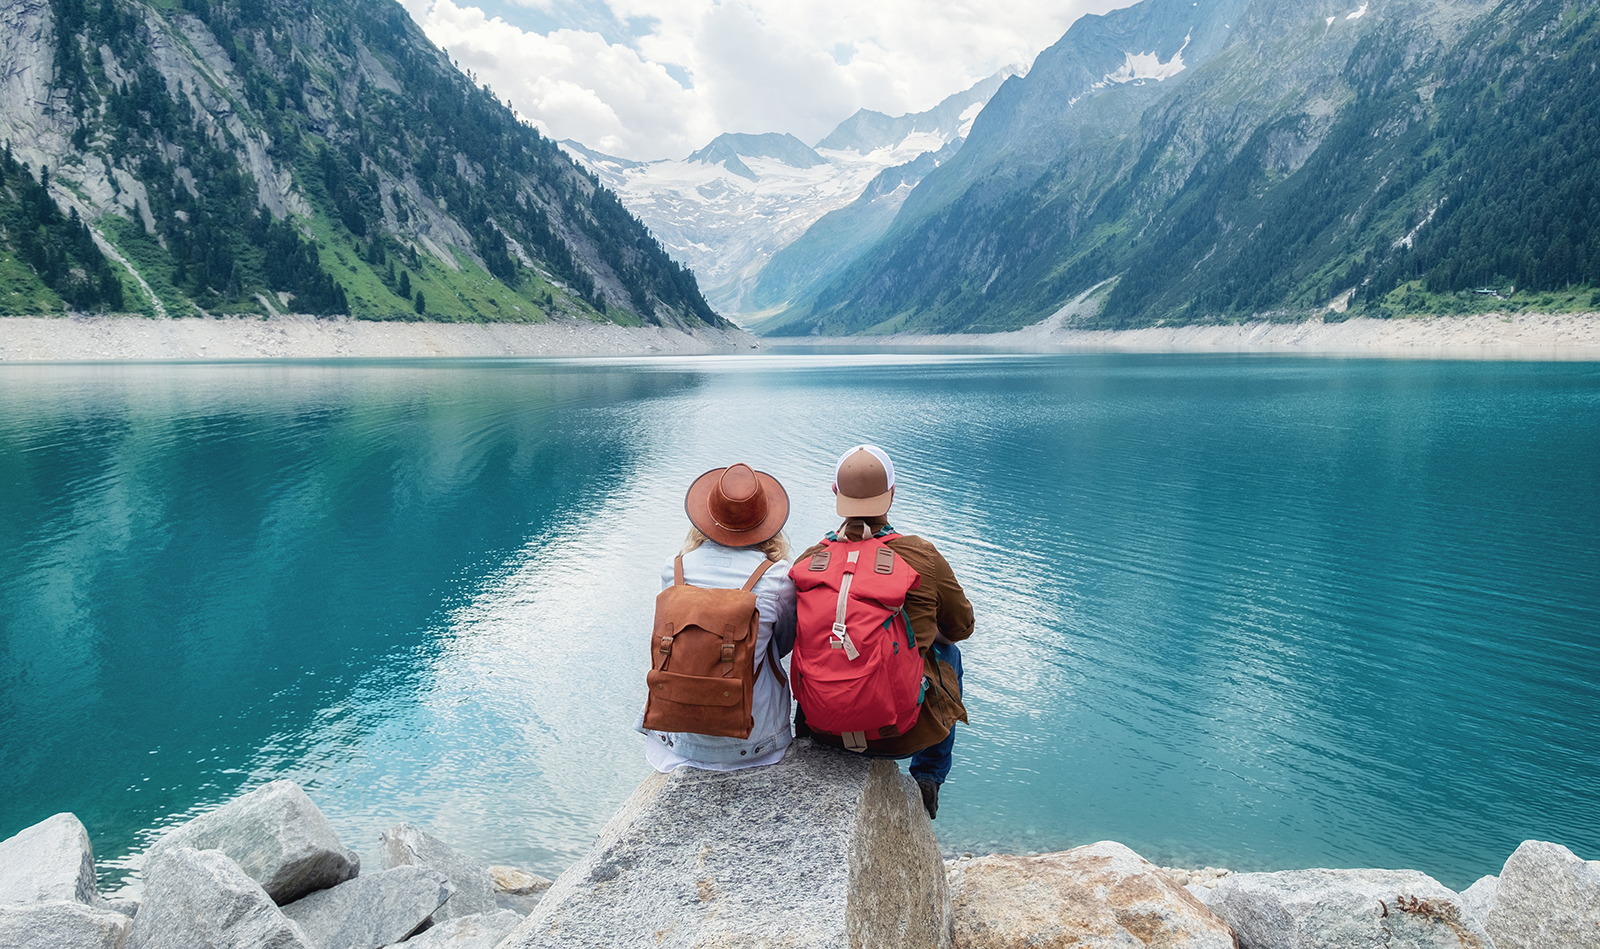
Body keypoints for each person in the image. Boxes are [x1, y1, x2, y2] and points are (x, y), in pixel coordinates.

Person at [795, 445, 974, 818]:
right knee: (949, 654)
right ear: (892, 493)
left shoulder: (810, 561)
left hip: (822, 729)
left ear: (835, 494)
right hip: (899, 733)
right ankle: (928, 776)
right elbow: (961, 628)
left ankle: (807, 740)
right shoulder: (921, 554)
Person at [636, 463, 797, 772]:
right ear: (766, 524)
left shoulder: (675, 568)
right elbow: (784, 642)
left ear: (706, 520)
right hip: (753, 745)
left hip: (675, 740)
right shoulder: (777, 577)